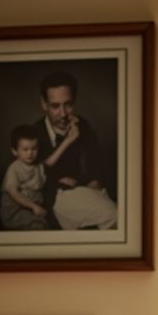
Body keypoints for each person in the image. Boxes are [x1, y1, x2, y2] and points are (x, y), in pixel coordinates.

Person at [32, 70, 118, 231]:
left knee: (118, 218)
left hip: (85, 190)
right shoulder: (35, 133)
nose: (63, 114)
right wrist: (68, 141)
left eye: (68, 104)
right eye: (55, 106)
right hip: (55, 198)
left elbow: (95, 163)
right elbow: (34, 175)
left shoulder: (82, 125)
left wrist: (93, 181)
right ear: (44, 104)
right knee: (114, 215)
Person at [0, 123, 78, 231]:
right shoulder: (14, 168)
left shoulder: (38, 165)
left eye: (34, 148)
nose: (30, 153)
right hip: (16, 209)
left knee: (58, 222)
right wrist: (33, 207)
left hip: (34, 207)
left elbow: (49, 162)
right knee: (39, 226)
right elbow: (14, 193)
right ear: (15, 151)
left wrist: (61, 179)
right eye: (25, 149)